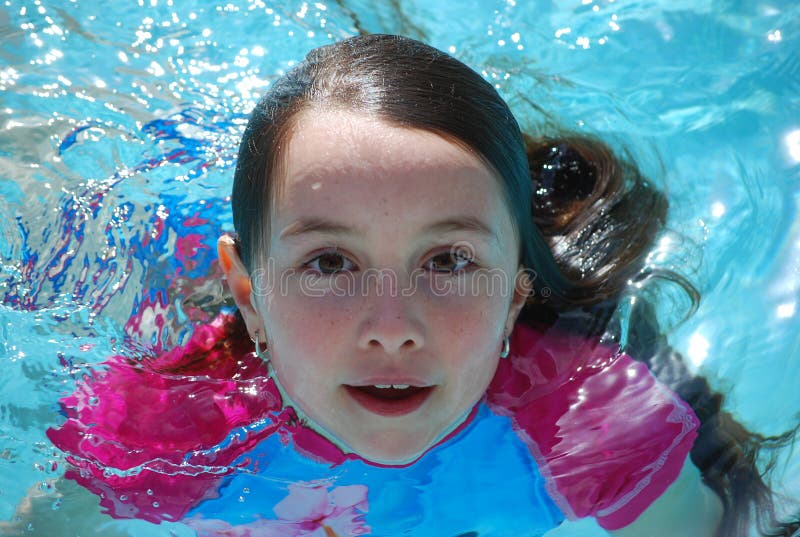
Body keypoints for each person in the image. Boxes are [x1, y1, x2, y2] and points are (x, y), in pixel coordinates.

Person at [28, 34, 798, 537]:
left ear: (519, 290)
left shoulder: (593, 426)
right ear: (251, 295)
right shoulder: (158, 427)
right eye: (330, 264)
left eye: (450, 262)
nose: (392, 326)